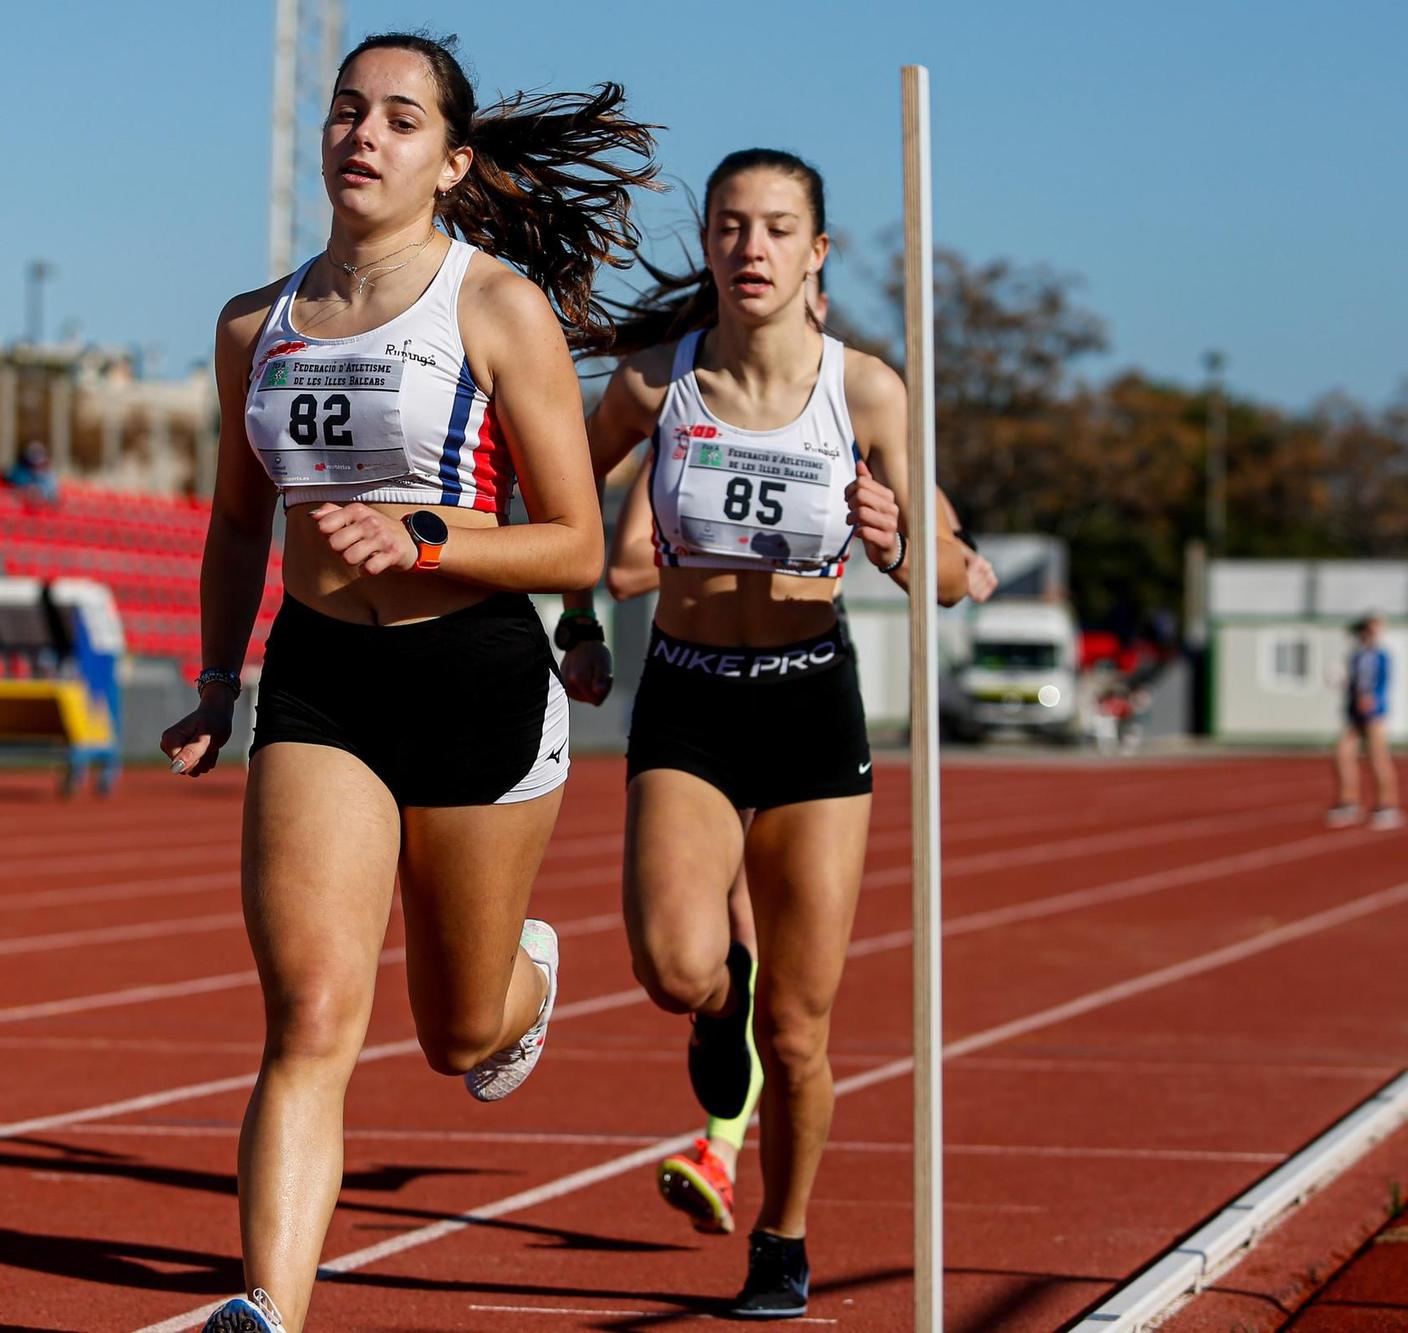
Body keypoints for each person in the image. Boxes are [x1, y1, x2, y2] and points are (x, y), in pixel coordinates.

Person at [159, 31, 655, 1333]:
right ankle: (267, 1307)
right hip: (320, 682)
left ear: (450, 160)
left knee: (457, 1035)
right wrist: (219, 679)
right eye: (345, 111)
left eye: (399, 118)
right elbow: (232, 524)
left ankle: (528, 984)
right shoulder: (249, 323)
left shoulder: (492, 308)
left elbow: (576, 541)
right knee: (312, 1011)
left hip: (477, 678)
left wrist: (428, 532)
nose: (363, 135)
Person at [560, 148, 968, 1319]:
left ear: (815, 252)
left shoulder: (869, 391)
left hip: (806, 702)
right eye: (731, 226)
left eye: (777, 229)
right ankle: (711, 996)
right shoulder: (653, 384)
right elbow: (555, 495)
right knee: (673, 963)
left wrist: (902, 542)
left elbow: (942, 564)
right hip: (686, 692)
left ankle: (781, 1239)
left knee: (799, 1029)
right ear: (708, 244)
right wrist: (578, 621)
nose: (751, 248)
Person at [1328, 615, 1400, 829]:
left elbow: (1382, 682)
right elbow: (1353, 683)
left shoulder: (1381, 656)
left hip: (1374, 713)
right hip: (1354, 714)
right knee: (1342, 753)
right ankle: (1348, 801)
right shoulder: (1355, 656)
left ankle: (1387, 805)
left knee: (1378, 758)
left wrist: (1371, 700)